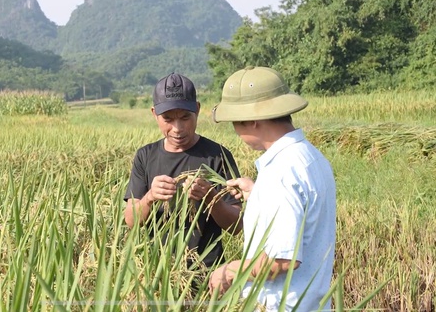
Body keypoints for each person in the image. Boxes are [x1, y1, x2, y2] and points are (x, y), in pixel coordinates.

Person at [208, 66, 336, 311]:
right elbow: (301, 213)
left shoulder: (281, 172)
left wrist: (230, 270)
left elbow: (282, 260)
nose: (236, 131)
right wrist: (258, 195)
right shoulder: (310, 157)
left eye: (235, 122)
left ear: (253, 120)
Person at [123, 72, 244, 268]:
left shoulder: (218, 155)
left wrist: (210, 197)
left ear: (197, 110)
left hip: (207, 272)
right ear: (154, 114)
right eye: (168, 119)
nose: (177, 128)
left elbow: (236, 226)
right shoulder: (145, 156)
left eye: (185, 117)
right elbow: (131, 220)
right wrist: (151, 196)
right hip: (158, 271)